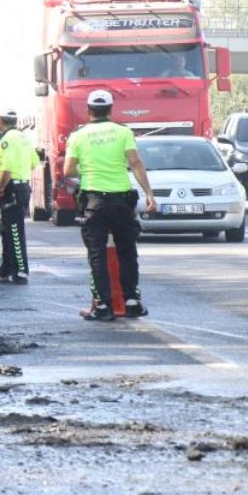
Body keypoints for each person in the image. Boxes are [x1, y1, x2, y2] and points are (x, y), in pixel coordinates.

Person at [63, 89, 158, 321]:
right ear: (111, 109)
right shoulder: (123, 132)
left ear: (88, 110)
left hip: (94, 201)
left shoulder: (78, 136)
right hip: (121, 200)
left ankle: (103, 306)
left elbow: (67, 171)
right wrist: (149, 194)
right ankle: (132, 301)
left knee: (97, 254)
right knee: (127, 251)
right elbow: (135, 163)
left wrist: (86, 168)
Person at [0, 109, 39, 284]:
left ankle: (20, 270)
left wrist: (1, 187)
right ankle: (6, 268)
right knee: (7, 230)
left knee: (13, 230)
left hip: (11, 187)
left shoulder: (7, 139)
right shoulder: (23, 137)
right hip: (22, 185)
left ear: (0, 120)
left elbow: (8, 167)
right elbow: (34, 162)